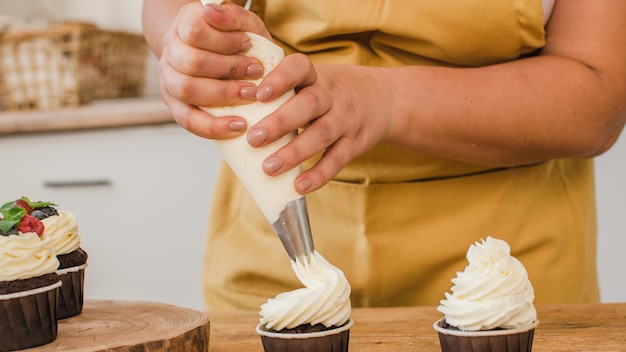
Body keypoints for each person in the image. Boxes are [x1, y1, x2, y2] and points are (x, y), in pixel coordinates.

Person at [142, 0, 626, 310]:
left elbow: (599, 99)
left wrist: (390, 99)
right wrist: (182, 43)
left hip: (504, 277)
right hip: (270, 258)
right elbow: (171, 8)